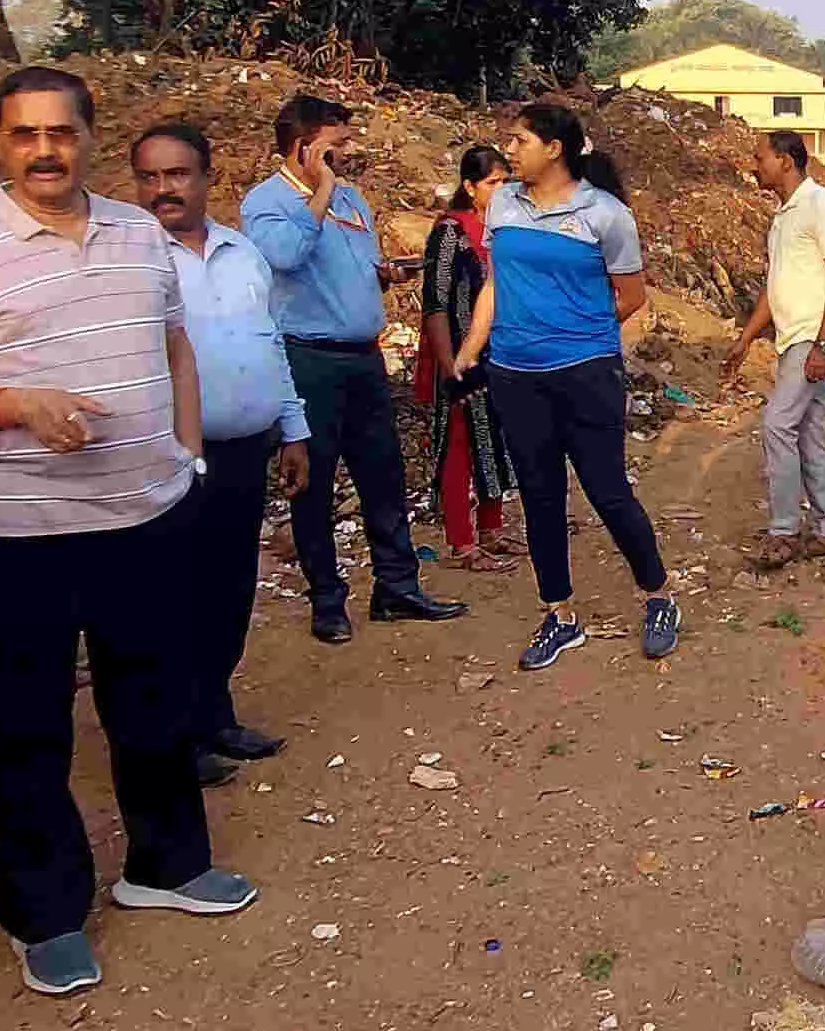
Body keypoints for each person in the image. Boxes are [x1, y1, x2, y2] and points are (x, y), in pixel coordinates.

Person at [0, 66, 254, 999]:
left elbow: (173, 345)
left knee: (155, 699)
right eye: (24, 135)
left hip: (147, 510)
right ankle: (45, 914)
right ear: (1, 143)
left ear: (91, 137)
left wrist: (186, 459)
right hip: (26, 528)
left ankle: (166, 866)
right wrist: (16, 403)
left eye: (61, 132)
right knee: (26, 727)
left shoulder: (140, 234)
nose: (44, 150)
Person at [451, 101, 679, 671]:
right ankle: (559, 615)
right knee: (540, 499)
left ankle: (658, 597)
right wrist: (473, 347)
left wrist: (580, 334)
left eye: (521, 140)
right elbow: (496, 283)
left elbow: (631, 296)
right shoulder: (503, 202)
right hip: (515, 375)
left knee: (607, 492)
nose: (511, 149)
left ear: (555, 149)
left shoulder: (604, 214)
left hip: (586, 374)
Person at [239, 93, 463, 644]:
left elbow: (352, 263)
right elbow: (286, 256)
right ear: (304, 147)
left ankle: (396, 587)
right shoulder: (265, 203)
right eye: (336, 145)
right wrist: (319, 192)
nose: (348, 154)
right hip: (308, 361)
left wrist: (382, 275)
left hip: (364, 359)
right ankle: (327, 601)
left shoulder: (354, 199)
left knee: (383, 475)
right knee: (313, 485)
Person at [129, 121, 309, 784]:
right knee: (175, 599)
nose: (162, 189)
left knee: (232, 590)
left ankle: (215, 715)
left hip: (245, 450)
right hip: (170, 460)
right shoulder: (131, 261)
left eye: (176, 174)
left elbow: (270, 344)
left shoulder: (242, 252)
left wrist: (293, 428)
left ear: (207, 178)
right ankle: (179, 736)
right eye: (148, 176)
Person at [722, 130, 825, 569]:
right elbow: (774, 287)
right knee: (808, 431)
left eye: (759, 157)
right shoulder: (783, 216)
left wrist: (823, 343)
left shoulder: (822, 206)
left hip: (810, 338)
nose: (753, 165)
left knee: (777, 425)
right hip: (792, 338)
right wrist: (746, 337)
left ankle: (782, 531)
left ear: (784, 160)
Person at [417, 146, 514, 572]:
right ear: (469, 186)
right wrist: (449, 366)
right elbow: (435, 303)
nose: (501, 190)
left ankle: (492, 528)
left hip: (499, 354)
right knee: (460, 442)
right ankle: (461, 540)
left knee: (494, 438)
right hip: (461, 353)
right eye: (493, 183)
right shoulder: (451, 233)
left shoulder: (500, 229)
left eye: (505, 182)